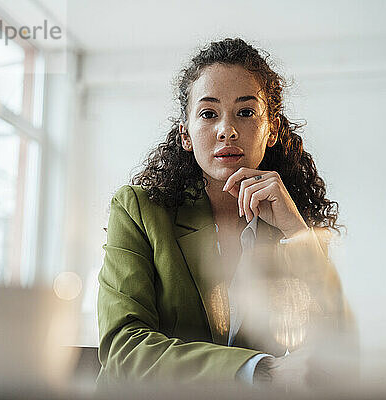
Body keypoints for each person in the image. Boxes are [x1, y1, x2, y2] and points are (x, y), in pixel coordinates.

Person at [97, 38, 352, 387]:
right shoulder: (138, 209)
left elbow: (340, 349)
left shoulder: (292, 224)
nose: (226, 130)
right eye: (208, 113)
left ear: (272, 129)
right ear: (186, 135)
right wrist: (259, 369)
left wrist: (296, 233)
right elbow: (124, 347)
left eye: (246, 112)